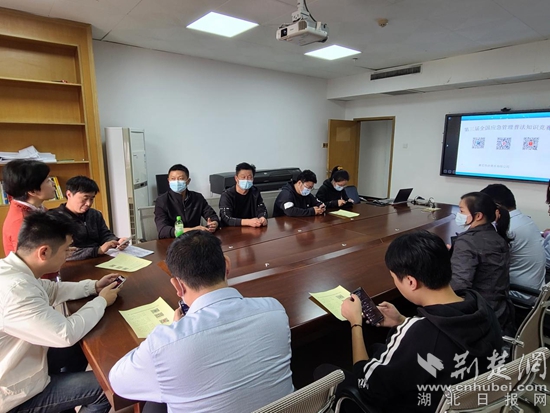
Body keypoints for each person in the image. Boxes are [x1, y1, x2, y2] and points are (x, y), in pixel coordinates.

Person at [109, 231, 293, 413]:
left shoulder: (164, 344)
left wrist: (173, 331)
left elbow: (118, 382)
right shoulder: (274, 311)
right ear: (227, 265)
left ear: (178, 285)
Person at [332, 231, 503, 413]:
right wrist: (401, 321)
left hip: (416, 404)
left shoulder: (419, 334)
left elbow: (365, 384)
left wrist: (355, 323)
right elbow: (444, 335)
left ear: (411, 282)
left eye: (394, 278)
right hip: (461, 394)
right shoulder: (480, 305)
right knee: (376, 348)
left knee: (325, 371)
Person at [0, 210, 120, 413]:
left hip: (26, 363)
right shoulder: (16, 291)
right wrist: (101, 301)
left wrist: (93, 286)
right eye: (66, 250)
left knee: (81, 347)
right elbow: (65, 334)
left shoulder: (13, 270)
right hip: (15, 396)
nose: (68, 255)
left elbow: (52, 290)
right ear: (44, 252)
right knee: (108, 386)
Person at [450, 191, 515, 335]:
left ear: (478, 216)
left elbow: (458, 287)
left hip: (477, 317)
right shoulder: (498, 238)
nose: (458, 215)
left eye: (461, 211)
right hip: (500, 312)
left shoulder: (467, 242)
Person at [480, 184, 545, 298]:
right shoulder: (525, 220)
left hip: (518, 294)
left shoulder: (507, 229)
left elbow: (485, 264)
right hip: (535, 290)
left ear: (496, 207)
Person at [53, 176, 128, 260]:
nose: (88, 203)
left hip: (99, 259)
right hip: (72, 264)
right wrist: (98, 250)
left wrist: (117, 242)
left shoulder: (95, 214)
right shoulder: (54, 218)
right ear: (69, 194)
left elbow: (105, 235)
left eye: (91, 199)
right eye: (85, 199)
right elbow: (63, 252)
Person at [2, 159, 56, 256]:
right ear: (33, 191)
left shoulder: (37, 208)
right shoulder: (21, 221)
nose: (53, 183)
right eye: (48, 181)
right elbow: (32, 258)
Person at [154, 164, 219, 238]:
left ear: (188, 181)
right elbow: (162, 230)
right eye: (173, 179)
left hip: (196, 239)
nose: (177, 182)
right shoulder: (162, 200)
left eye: (180, 179)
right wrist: (192, 230)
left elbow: (212, 215)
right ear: (168, 181)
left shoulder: (197, 197)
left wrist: (214, 223)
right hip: (173, 241)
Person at [219, 162, 268, 227]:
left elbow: (262, 209)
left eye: (249, 177)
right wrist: (248, 222)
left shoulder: (255, 192)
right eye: (243, 177)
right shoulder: (227, 195)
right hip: (231, 229)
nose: (246, 180)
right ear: (236, 178)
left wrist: (262, 218)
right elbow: (226, 218)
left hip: (252, 228)